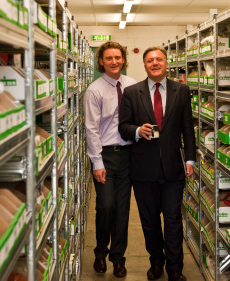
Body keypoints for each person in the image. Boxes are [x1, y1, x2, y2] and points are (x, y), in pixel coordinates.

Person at [118, 46, 196, 281]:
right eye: (150, 60)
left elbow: (187, 129)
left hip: (173, 168)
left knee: (173, 220)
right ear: (144, 65)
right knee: (149, 221)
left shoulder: (181, 90)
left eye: (159, 59)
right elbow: (123, 127)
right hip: (143, 170)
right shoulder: (132, 92)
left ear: (166, 63)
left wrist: (190, 159)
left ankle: (175, 268)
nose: (155, 63)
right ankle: (156, 262)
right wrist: (137, 131)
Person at [83, 41, 136, 278]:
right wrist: (97, 162)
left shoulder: (132, 85)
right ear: (101, 62)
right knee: (106, 206)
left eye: (118, 57)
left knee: (122, 210)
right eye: (109, 58)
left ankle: (118, 258)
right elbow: (91, 129)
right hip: (105, 155)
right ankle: (100, 253)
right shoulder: (94, 90)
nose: (114, 61)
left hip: (129, 155)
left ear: (123, 59)